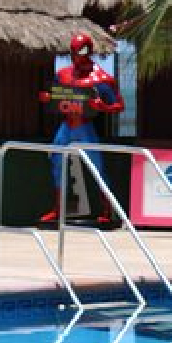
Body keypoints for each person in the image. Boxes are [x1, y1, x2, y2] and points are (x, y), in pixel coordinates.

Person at [39, 31, 125, 225]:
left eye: (80, 51)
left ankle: (107, 210)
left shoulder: (101, 78)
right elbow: (54, 95)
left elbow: (119, 106)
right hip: (66, 125)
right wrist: (47, 97)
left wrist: (103, 107)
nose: (76, 55)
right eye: (73, 51)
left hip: (85, 126)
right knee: (56, 163)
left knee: (97, 167)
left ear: (88, 51)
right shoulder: (62, 75)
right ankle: (58, 208)